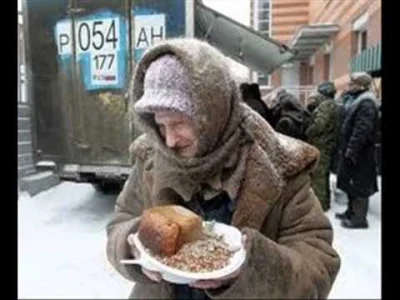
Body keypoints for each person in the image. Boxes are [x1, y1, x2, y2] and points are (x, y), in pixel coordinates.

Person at [106, 38, 340, 299]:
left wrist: (248, 270)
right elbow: (119, 224)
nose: (169, 140)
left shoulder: (280, 164)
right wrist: (133, 244)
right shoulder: (150, 158)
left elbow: (318, 265)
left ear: (213, 111)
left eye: (179, 123)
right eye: (161, 125)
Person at [335, 72, 379, 229]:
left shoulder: (366, 103)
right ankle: (351, 212)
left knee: (359, 186)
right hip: (353, 151)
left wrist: (352, 151)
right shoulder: (356, 100)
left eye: (352, 84)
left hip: (361, 154)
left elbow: (362, 130)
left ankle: (359, 219)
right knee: (350, 184)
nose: (349, 86)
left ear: (360, 86)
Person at [304, 82, 339, 212]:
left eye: (319, 92)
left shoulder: (326, 106)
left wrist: (308, 131)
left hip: (322, 145)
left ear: (323, 93)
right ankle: (324, 202)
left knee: (319, 176)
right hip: (327, 144)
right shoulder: (332, 104)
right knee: (323, 175)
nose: (316, 94)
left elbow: (319, 125)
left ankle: (321, 205)